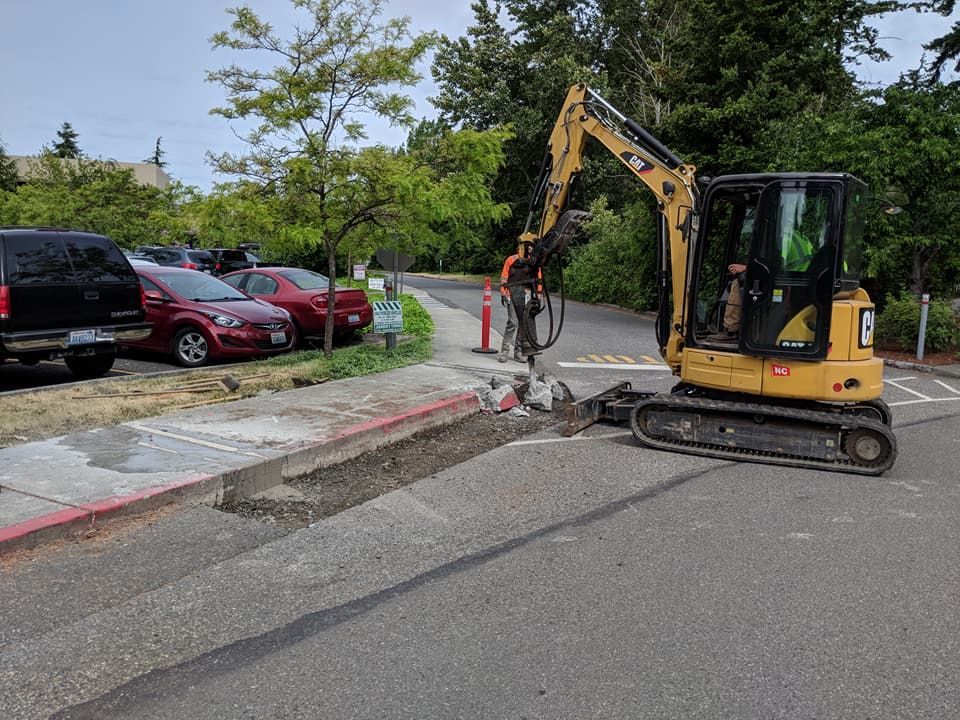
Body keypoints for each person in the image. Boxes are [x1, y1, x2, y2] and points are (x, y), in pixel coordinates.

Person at [498, 241, 541, 363]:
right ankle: (504, 351)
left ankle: (518, 352)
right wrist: (503, 292)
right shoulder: (511, 260)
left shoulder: (533, 263)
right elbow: (504, 277)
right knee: (513, 322)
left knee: (523, 324)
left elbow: (538, 279)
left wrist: (538, 295)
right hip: (512, 293)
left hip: (527, 295)